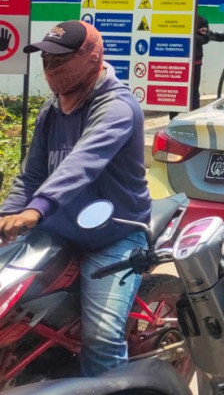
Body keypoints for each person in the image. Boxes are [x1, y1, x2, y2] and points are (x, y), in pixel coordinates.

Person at [1, 21, 152, 376]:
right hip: (58, 232)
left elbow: (81, 164)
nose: (50, 69)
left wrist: (36, 210)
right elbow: (31, 175)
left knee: (100, 337)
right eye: (46, 61)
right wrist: (9, 215)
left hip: (113, 236)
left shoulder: (116, 107)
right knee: (13, 313)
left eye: (60, 60)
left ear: (92, 56)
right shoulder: (51, 111)